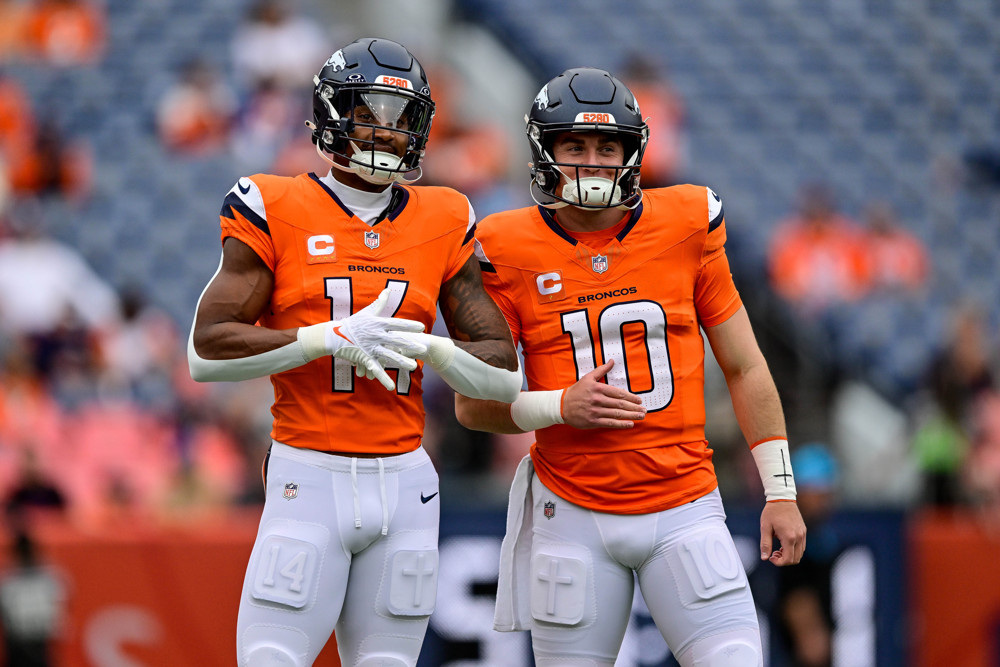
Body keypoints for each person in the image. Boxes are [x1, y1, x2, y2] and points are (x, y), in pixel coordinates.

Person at [452, 67, 806, 666]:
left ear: (632, 151)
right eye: (574, 145)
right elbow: (470, 404)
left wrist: (780, 489)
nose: (592, 160)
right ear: (545, 151)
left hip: (685, 503)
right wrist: (560, 405)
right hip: (572, 510)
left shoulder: (688, 222)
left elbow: (744, 366)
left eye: (606, 146)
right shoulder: (502, 246)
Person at [187, 37, 521, 667]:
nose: (387, 132)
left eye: (401, 118)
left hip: (406, 482)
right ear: (332, 114)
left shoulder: (445, 214)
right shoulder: (275, 204)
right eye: (369, 111)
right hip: (308, 471)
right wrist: (323, 338)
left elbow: (503, 374)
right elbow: (206, 352)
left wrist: (432, 349)